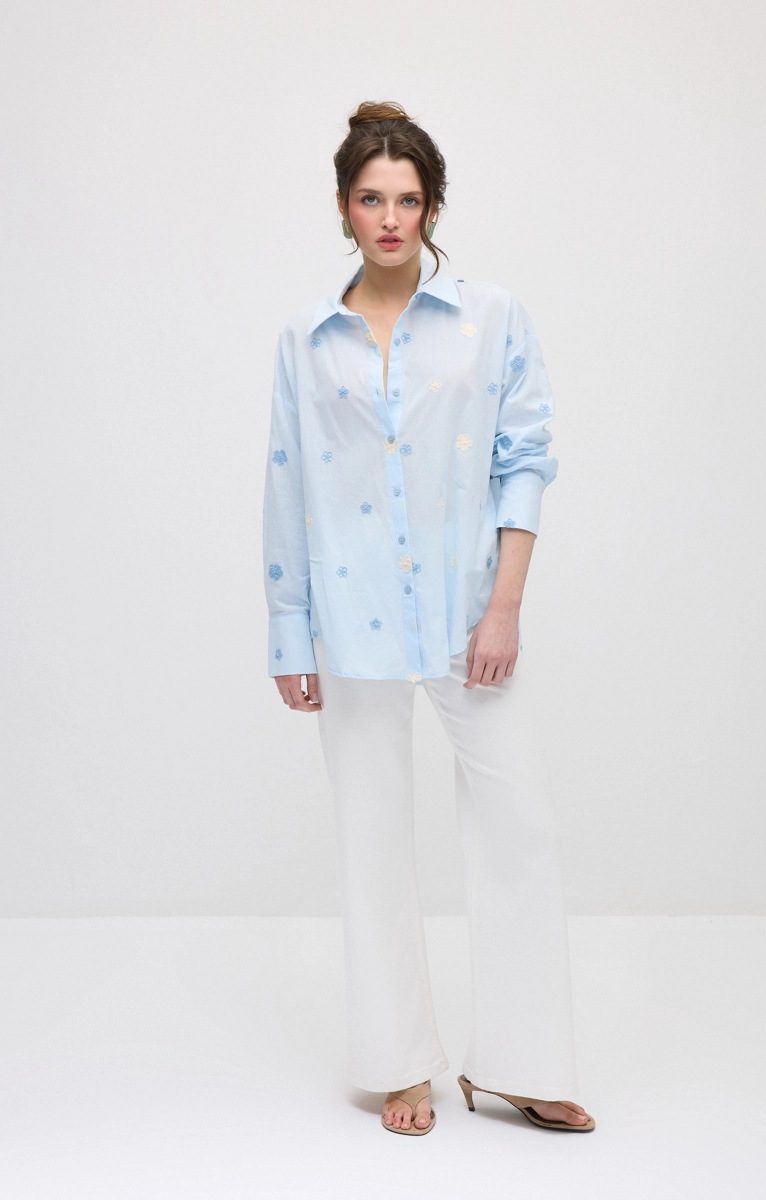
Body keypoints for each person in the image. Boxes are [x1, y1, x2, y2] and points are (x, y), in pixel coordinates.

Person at [262, 100, 595, 1136]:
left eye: (408, 200)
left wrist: (503, 607)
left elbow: (524, 459)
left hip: (466, 615)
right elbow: (288, 485)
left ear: (433, 208)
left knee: (521, 827)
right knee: (372, 838)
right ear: (342, 208)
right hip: (350, 619)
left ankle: (521, 1063)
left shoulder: (492, 317)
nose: (390, 219)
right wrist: (288, 629)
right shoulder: (305, 339)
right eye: (371, 199)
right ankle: (401, 1064)